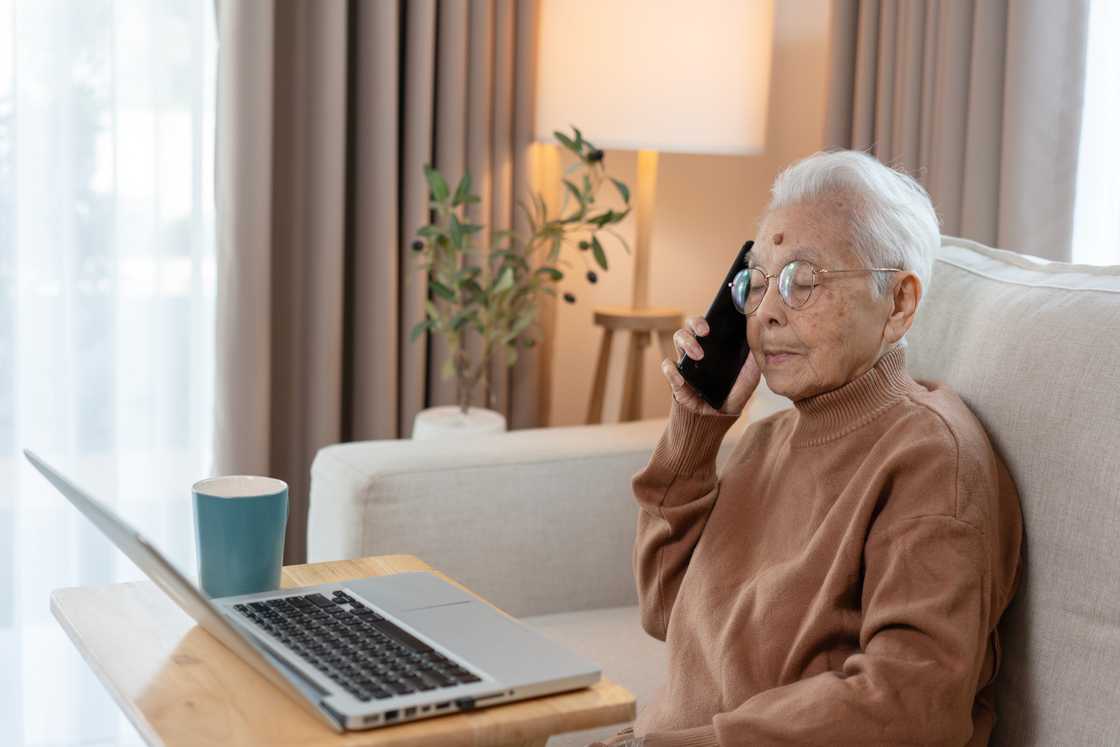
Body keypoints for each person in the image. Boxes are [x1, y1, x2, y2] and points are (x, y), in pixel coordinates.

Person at [590, 150, 1023, 747]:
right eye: (758, 283)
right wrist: (697, 428)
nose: (764, 313)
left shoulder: (930, 459)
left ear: (898, 304)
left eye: (802, 281)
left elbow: (908, 707)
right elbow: (666, 610)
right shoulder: (769, 438)